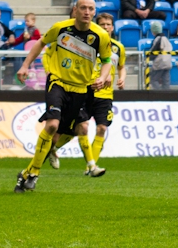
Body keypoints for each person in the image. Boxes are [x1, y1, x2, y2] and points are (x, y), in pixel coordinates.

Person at [14, 0, 113, 192]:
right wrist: (25, 65)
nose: (86, 11)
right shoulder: (60, 28)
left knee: (64, 133)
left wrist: (103, 76)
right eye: (82, 8)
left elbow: (107, 60)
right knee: (52, 125)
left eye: (90, 8)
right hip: (58, 82)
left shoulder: (100, 35)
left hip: (80, 89)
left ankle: (25, 175)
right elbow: (40, 43)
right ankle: (34, 173)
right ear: (75, 10)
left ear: (94, 12)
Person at [50, 12, 124, 169]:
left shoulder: (118, 48)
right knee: (78, 128)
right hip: (85, 90)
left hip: (105, 94)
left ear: (112, 27)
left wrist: (120, 77)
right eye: (102, 24)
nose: (105, 27)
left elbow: (121, 66)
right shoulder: (89, 43)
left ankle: (91, 166)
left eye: (108, 24)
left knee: (102, 128)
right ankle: (53, 148)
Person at [147, 20, 172, 90]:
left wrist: (148, 58)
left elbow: (153, 51)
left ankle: (159, 94)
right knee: (166, 81)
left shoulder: (158, 39)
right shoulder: (166, 39)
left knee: (153, 80)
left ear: (153, 32)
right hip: (168, 63)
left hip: (160, 64)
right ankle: (167, 96)